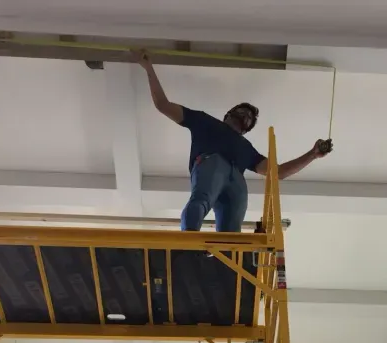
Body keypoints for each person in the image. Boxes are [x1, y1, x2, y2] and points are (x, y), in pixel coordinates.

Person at [134, 51, 333, 232]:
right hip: (211, 162)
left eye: (250, 118)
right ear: (228, 114)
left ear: (247, 129)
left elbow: (277, 172)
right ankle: (188, 246)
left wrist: (312, 154)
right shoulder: (205, 122)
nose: (246, 116)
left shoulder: (246, 149)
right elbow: (163, 104)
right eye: (243, 111)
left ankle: (226, 264)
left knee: (232, 228)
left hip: (236, 178)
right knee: (201, 201)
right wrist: (148, 67)